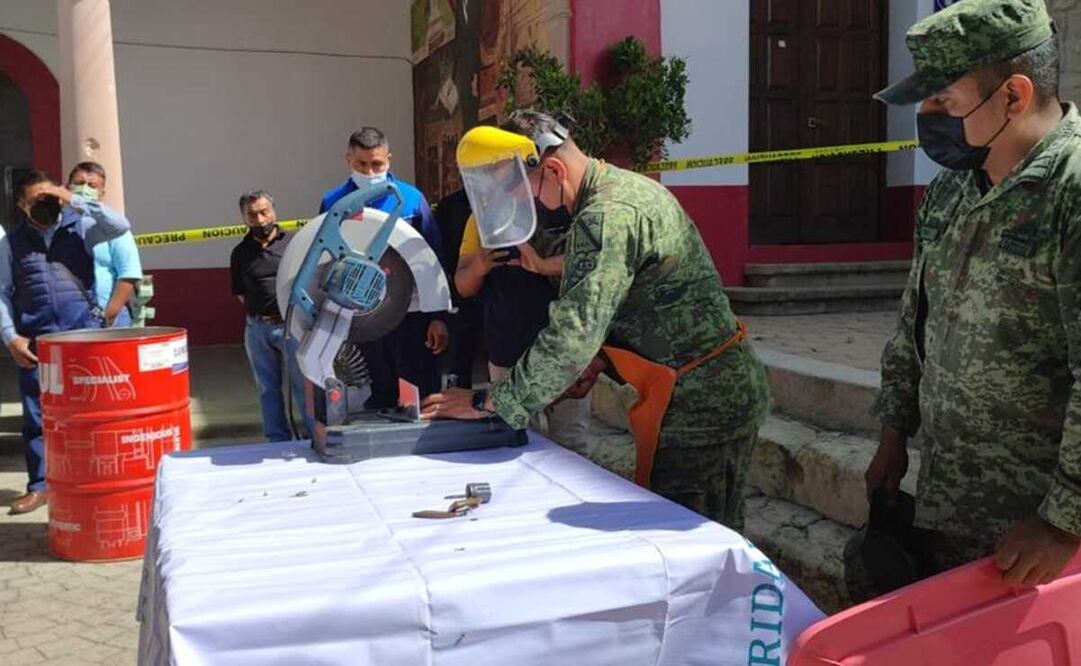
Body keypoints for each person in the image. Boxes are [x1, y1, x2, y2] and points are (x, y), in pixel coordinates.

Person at [423, 111, 770, 531]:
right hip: (703, 388)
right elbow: (643, 298)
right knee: (715, 531)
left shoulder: (607, 214)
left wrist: (489, 402)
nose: (529, 205)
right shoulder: (619, 191)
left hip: (700, 401)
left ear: (551, 169)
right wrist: (599, 361)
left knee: (689, 547)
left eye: (526, 192)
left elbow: (575, 329)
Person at [863, 0, 1081, 592]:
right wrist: (893, 436)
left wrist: (1062, 524)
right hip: (950, 506)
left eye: (944, 102)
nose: (928, 118)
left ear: (1013, 95)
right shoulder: (950, 191)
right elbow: (915, 323)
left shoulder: (1071, 191)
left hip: (1039, 543)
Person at [0, 170, 131, 514]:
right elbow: (1, 292)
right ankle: (39, 486)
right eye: (35, 201)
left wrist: (69, 196)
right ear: (21, 206)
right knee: (36, 417)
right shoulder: (10, 243)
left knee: (93, 411)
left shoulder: (82, 227)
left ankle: (96, 476)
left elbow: (120, 226)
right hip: (37, 342)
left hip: (82, 336)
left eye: (47, 199)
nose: (43, 207)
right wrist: (11, 337)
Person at [319, 127, 448, 404]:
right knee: (379, 389)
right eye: (360, 164)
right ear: (348, 160)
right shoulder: (334, 203)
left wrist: (439, 316)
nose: (369, 171)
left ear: (389, 159)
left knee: (419, 389)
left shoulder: (411, 199)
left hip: (411, 312)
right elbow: (324, 259)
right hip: (362, 313)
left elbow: (433, 257)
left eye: (376, 164)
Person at [454, 209, 591, 451]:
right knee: (516, 441)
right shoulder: (483, 217)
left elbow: (595, 265)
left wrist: (544, 266)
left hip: (565, 352)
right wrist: (479, 266)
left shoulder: (571, 208)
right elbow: (463, 285)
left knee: (572, 446)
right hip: (508, 354)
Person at [230, 189, 311, 442]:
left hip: (292, 326)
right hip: (257, 329)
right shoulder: (240, 253)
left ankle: (312, 436)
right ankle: (277, 439)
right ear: (244, 218)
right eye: (252, 215)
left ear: (273, 210)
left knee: (303, 385)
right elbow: (240, 292)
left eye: (264, 212)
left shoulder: (294, 244)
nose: (260, 219)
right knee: (267, 388)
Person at [66, 162, 142, 327]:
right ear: (68, 187)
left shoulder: (114, 228)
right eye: (79, 183)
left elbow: (129, 273)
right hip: (70, 319)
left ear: (101, 193)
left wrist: (109, 314)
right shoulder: (57, 225)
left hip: (107, 317)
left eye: (92, 185)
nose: (84, 189)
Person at [433, 188, 484, 389]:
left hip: (499, 291)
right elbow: (438, 252)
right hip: (459, 292)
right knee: (459, 356)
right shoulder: (450, 205)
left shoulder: (511, 200)